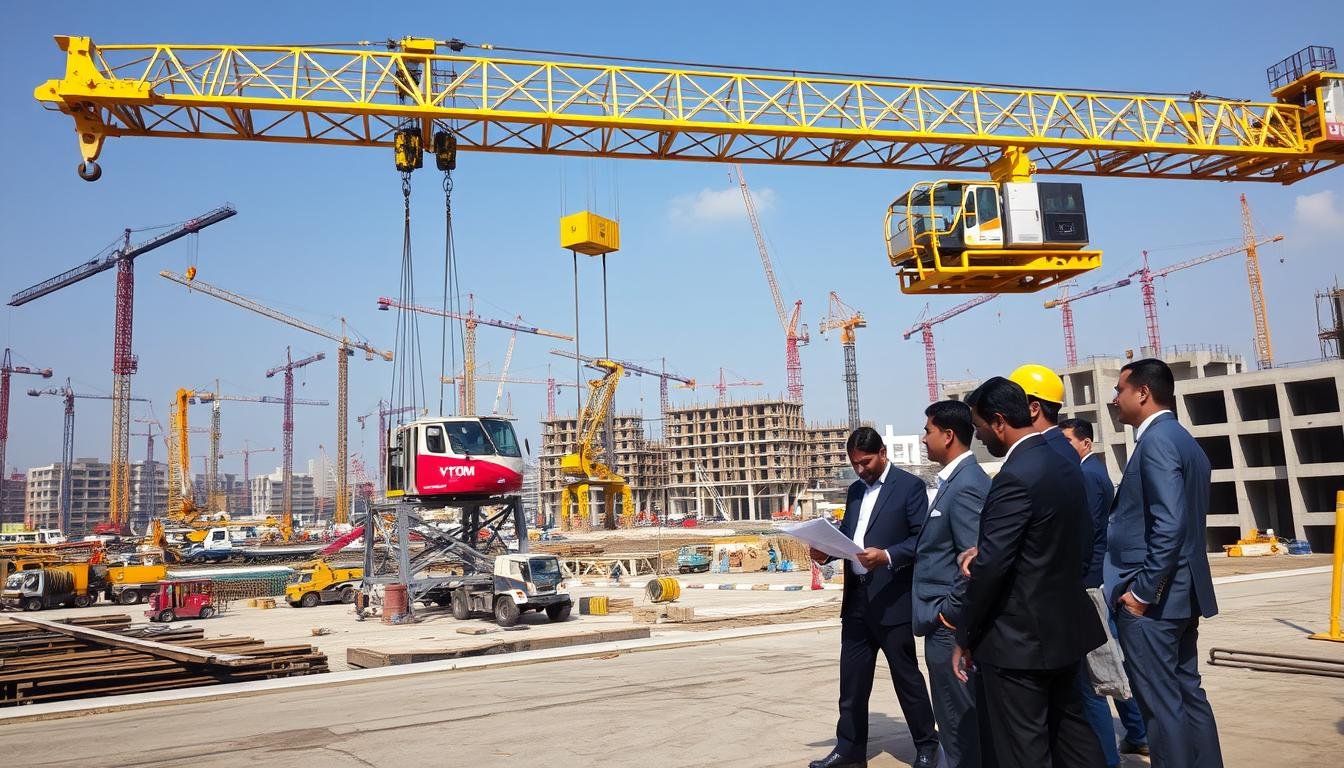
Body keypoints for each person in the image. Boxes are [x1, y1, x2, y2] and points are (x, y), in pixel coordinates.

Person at [944, 377, 1105, 768]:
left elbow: (993, 568)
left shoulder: (1014, 476)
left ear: (999, 421)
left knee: (1023, 750)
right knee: (1073, 739)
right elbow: (1072, 539)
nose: (979, 437)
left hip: (1019, 643)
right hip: (1064, 628)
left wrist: (964, 633)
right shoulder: (1065, 462)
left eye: (980, 427)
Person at [1105, 359, 1223, 768]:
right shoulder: (1184, 440)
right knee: (1188, 694)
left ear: (1143, 393)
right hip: (1183, 595)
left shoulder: (1155, 442)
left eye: (1120, 390)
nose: (1115, 399)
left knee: (1161, 705)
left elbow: (1170, 524)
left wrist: (1142, 592)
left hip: (1155, 602)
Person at [808, 426, 940, 768]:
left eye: (865, 462)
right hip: (857, 601)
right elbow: (850, 538)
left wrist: (887, 556)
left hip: (892, 601)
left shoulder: (909, 487)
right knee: (851, 682)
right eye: (854, 464)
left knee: (906, 679)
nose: (860, 469)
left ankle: (927, 745)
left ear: (882, 453)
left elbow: (921, 540)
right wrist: (827, 552)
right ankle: (849, 750)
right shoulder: (855, 491)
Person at [1059, 417, 1150, 765]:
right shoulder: (1094, 473)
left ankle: (1107, 756)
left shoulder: (1086, 475)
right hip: (1098, 579)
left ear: (1086, 443)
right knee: (1111, 664)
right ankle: (1137, 733)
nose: (1063, 448)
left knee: (1095, 675)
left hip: (1089, 583)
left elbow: (1086, 531)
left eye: (1068, 441)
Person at [914, 401, 990, 768]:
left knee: (959, 723)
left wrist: (949, 615)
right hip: (943, 624)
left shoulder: (966, 486)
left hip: (949, 628)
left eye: (927, 431)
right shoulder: (954, 482)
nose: (923, 439)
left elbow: (974, 562)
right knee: (952, 720)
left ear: (947, 435)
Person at [1007, 363, 1076, 464]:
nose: (1007, 412)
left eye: (1012, 404)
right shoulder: (1063, 446)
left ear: (1033, 409)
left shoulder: (1036, 455)